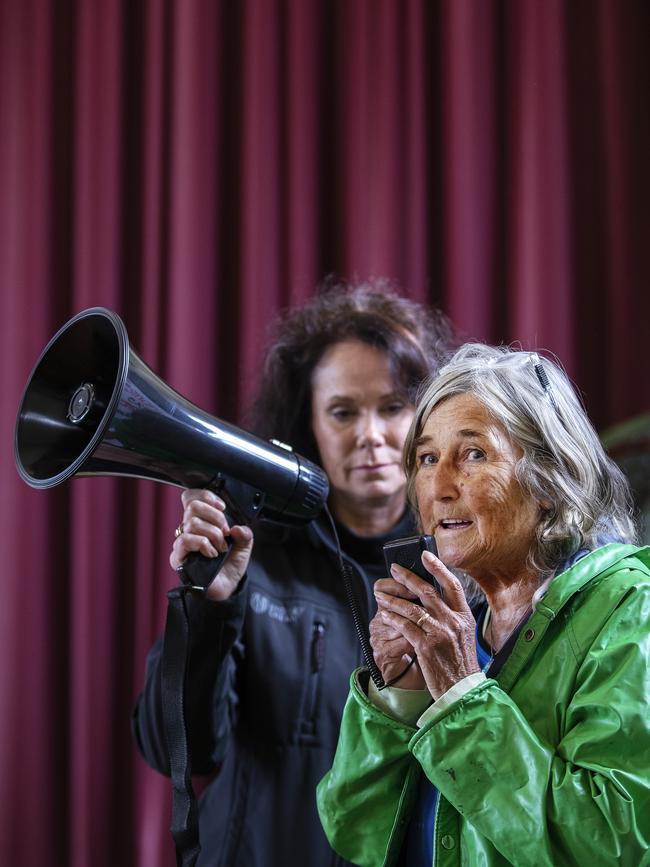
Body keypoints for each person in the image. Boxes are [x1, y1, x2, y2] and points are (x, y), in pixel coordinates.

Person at [132, 279, 455, 867]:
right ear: (309, 424)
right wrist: (209, 606)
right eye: (343, 412)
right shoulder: (252, 557)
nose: (371, 435)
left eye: (392, 407)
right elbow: (175, 749)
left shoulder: (461, 573)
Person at [317, 343, 650, 867]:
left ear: (549, 479)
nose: (440, 487)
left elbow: (614, 845)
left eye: (473, 454)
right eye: (427, 458)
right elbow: (355, 831)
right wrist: (400, 700)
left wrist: (459, 699)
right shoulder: (458, 630)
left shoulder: (630, 609)